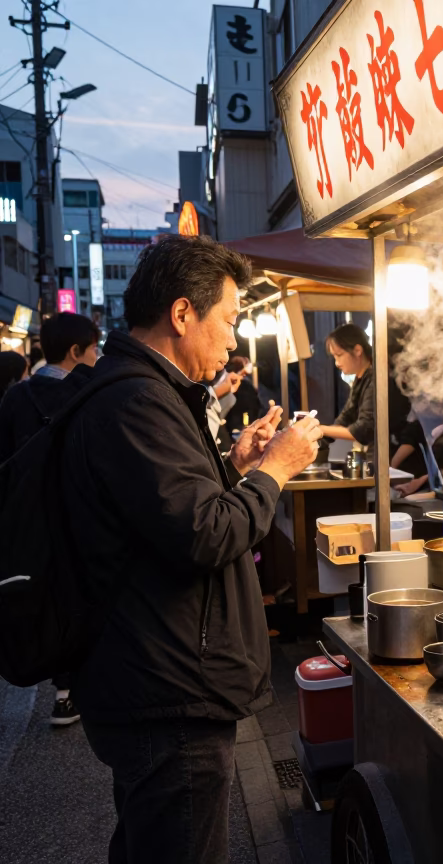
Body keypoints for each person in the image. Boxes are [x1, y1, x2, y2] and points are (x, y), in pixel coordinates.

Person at [57, 235, 322, 864]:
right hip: (166, 686)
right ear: (182, 315)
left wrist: (235, 468)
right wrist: (276, 470)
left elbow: (175, 514)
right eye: (228, 320)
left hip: (154, 674)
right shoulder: (136, 399)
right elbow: (209, 534)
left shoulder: (143, 390)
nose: (233, 341)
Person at [0, 312, 102, 725]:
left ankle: (60, 685)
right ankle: (78, 682)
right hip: (80, 517)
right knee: (79, 592)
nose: (98, 357)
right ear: (76, 351)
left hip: (28, 517)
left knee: (43, 591)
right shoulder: (90, 394)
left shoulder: (16, 397)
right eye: (94, 349)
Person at [317, 323, 424, 476]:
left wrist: (319, 429)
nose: (336, 362)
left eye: (339, 355)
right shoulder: (361, 379)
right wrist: (315, 437)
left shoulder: (376, 379)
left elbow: (364, 429)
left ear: (358, 350)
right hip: (377, 460)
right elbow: (344, 419)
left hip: (397, 462)